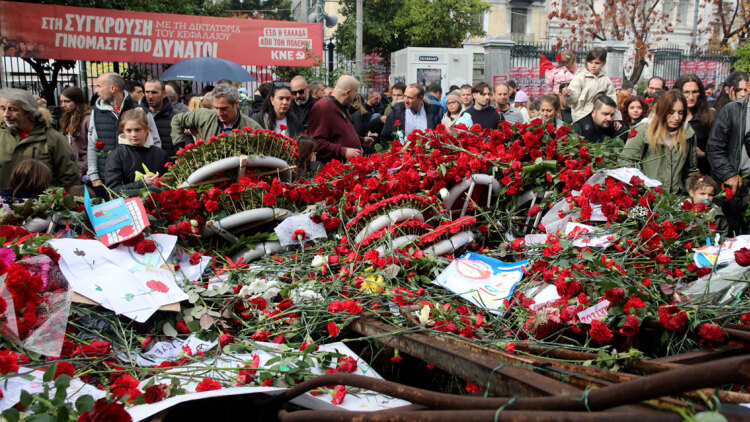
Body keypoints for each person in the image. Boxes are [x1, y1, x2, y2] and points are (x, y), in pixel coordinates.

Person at [88, 73, 160, 189]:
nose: (96, 90)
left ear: (112, 88)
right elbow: (92, 144)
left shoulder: (142, 111)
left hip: (139, 178)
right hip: (105, 179)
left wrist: (151, 172)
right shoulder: (96, 113)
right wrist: (94, 176)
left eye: (99, 86)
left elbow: (155, 142)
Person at [0, 88, 80, 191]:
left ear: (28, 112)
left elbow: (69, 177)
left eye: (13, 109)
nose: (6, 114)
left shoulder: (53, 139)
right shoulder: (2, 136)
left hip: (41, 205)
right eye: (2, 108)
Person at [619, 90, 697, 194]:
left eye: (681, 112)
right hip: (648, 197)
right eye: (671, 112)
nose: (677, 117)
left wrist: (695, 192)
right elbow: (625, 162)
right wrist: (642, 186)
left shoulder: (688, 134)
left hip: (677, 198)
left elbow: (691, 170)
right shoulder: (643, 130)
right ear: (662, 111)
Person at [707, 80, 750, 235]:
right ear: (748, 87)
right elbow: (715, 147)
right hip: (738, 184)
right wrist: (729, 173)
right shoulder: (732, 110)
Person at [307, 75, 374, 163]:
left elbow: (340, 134)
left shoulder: (341, 106)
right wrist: (343, 151)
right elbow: (315, 142)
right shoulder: (324, 107)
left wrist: (361, 140)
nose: (356, 96)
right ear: (347, 92)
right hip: (333, 169)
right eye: (355, 92)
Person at [171, 84, 261, 145]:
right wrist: (180, 145)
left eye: (224, 108)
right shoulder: (204, 116)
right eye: (216, 108)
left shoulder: (253, 128)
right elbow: (177, 119)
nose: (219, 113)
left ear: (236, 104)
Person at [105, 108, 169, 194]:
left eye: (137, 130)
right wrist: (142, 183)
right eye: (129, 130)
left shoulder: (160, 154)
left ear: (147, 129)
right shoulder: (117, 155)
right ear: (123, 131)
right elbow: (113, 190)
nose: (133, 135)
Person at [563, 47, 622, 126]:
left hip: (602, 113)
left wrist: (616, 118)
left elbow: (612, 100)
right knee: (588, 128)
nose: (593, 66)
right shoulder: (580, 77)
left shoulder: (606, 80)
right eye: (591, 62)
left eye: (597, 63)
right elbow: (573, 98)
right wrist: (568, 94)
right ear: (586, 62)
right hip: (582, 113)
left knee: (620, 129)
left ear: (603, 63)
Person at [673, 74, 715, 176]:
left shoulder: (709, 117)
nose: (691, 97)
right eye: (686, 92)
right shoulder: (669, 117)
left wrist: (704, 154)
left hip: (700, 173)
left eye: (695, 92)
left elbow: (717, 148)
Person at [58, 86, 91, 178]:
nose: (63, 105)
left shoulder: (87, 119)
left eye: (67, 101)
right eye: (62, 101)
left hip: (84, 167)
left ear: (77, 101)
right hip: (70, 165)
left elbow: (91, 147)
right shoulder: (67, 117)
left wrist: (83, 168)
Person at [141, 79, 177, 157]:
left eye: (154, 92)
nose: (150, 96)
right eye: (147, 92)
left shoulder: (176, 116)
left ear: (164, 94)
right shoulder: (138, 115)